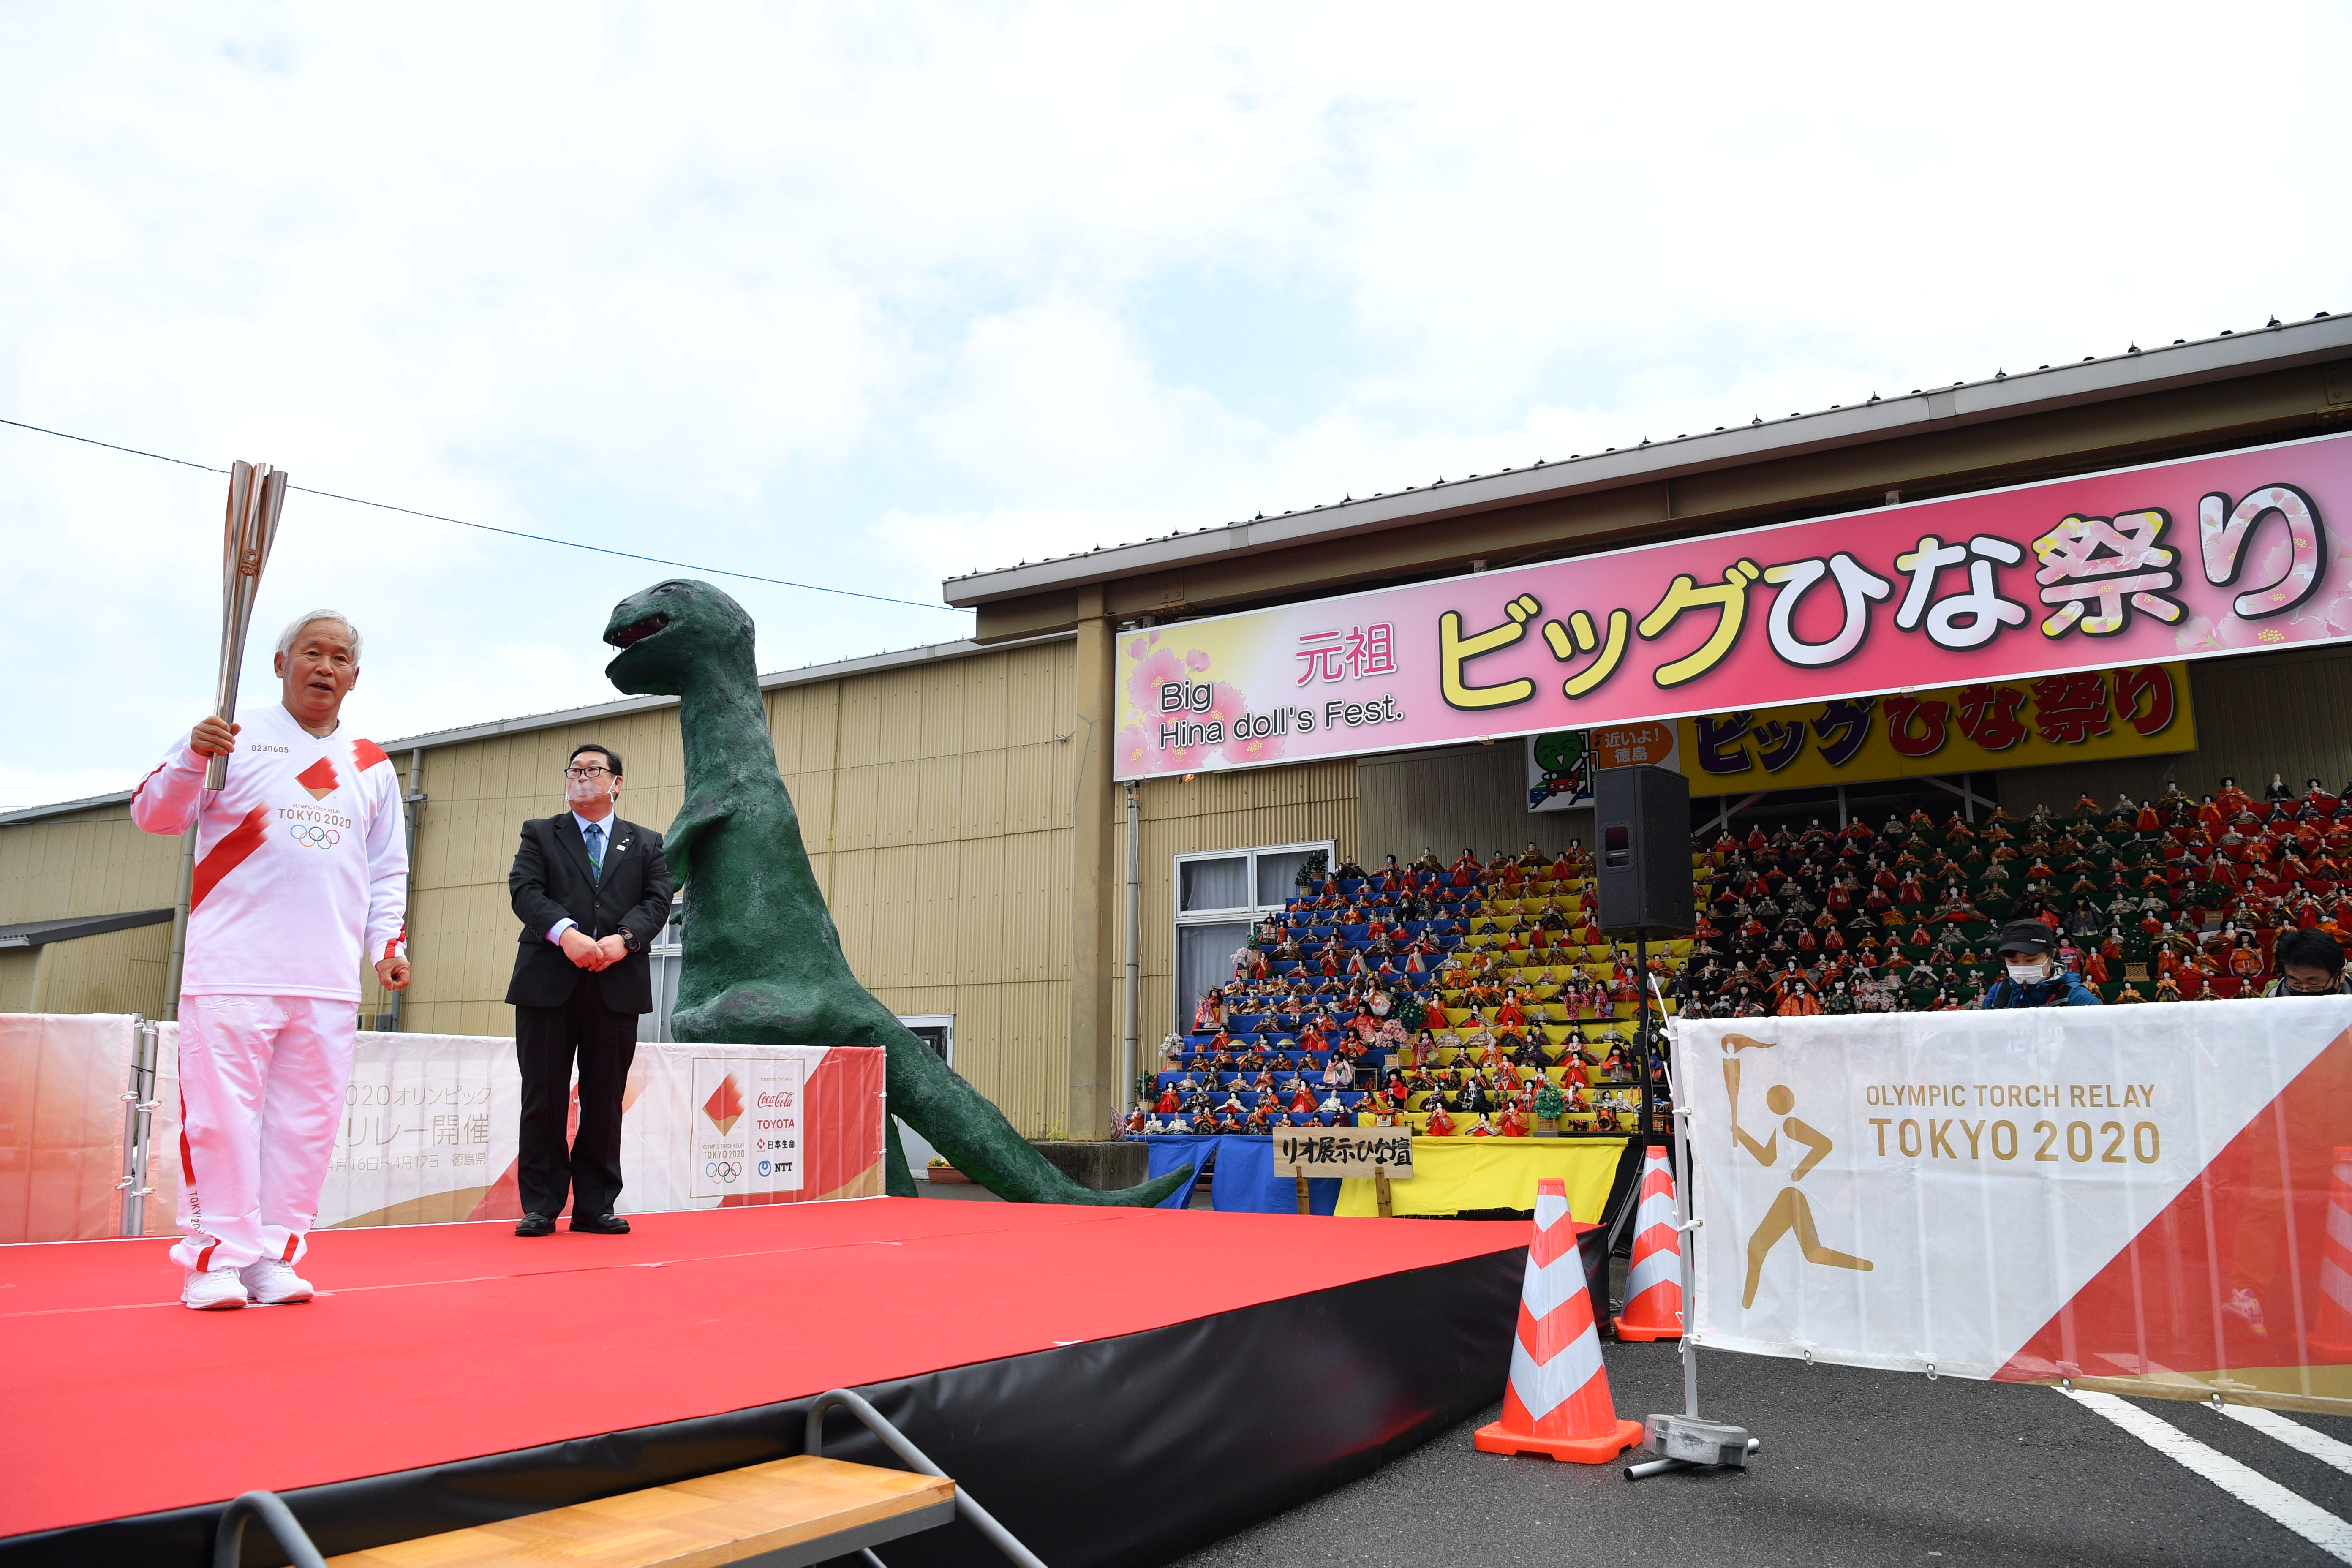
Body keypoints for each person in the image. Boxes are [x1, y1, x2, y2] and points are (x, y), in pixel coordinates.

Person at [131, 610, 411, 1310]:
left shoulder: (372, 763)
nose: (325, 666)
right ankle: (215, 1261)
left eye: (339, 656)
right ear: (280, 664)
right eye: (310, 653)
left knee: (304, 1127)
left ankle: (274, 1255)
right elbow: (155, 815)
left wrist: (387, 946)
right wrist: (192, 759)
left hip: (325, 978)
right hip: (233, 968)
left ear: (354, 676)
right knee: (222, 1122)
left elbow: (387, 872)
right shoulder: (231, 735)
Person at [504, 744, 674, 1236]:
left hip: (615, 984)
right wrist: (566, 933)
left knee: (604, 1100)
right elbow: (525, 890)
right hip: (547, 983)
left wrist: (624, 941)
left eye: (593, 770)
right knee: (545, 1097)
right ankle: (541, 1205)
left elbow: (658, 901)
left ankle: (595, 1206)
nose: (582, 777)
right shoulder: (540, 833)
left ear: (616, 782)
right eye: (575, 770)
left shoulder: (646, 842)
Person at [1978, 920, 2103, 1008]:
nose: (2022, 967)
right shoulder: (1999, 993)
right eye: (2013, 961)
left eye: (2031, 960)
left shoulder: (2077, 997)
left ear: (2052, 956)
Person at [2263, 928, 2352, 996]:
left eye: (2315, 985)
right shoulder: (2271, 1000)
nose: (2304, 993)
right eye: (2296, 984)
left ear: (2341, 975)